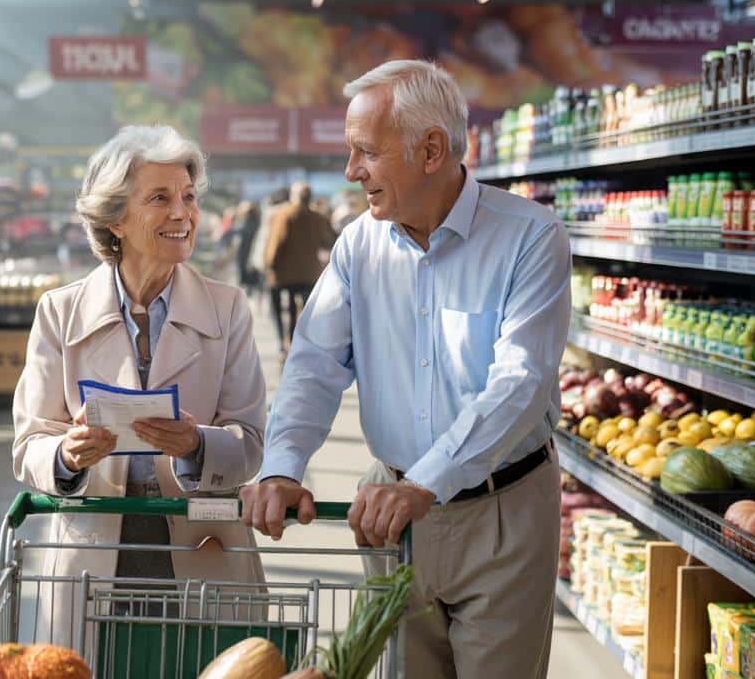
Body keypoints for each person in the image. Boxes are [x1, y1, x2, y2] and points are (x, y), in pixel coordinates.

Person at [240, 60, 570, 678]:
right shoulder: (357, 246)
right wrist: (283, 465)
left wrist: (426, 483)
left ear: (431, 149)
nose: (351, 171)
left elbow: (520, 382)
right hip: (390, 517)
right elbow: (313, 364)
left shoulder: (530, 236)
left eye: (366, 151)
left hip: (502, 515)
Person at [12, 124, 266, 645]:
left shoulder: (228, 309)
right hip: (96, 561)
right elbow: (28, 446)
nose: (183, 213)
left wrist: (198, 445)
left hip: (204, 555)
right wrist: (67, 455)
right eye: (160, 198)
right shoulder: (60, 314)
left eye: (189, 197)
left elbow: (253, 443)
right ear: (116, 220)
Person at [264, 182, 336, 354]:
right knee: (306, 310)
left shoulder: (284, 215)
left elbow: (277, 242)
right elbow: (328, 242)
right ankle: (301, 341)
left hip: (284, 274)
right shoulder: (318, 218)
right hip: (309, 274)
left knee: (281, 308)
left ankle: (283, 340)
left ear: (293, 197)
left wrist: (270, 263)